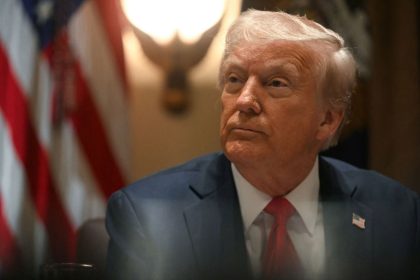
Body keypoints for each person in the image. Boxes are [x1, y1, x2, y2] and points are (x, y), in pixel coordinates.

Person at [105, 10, 420, 280]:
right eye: (234, 80)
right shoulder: (148, 215)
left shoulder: (395, 214)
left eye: (276, 83)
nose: (244, 101)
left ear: (326, 121)